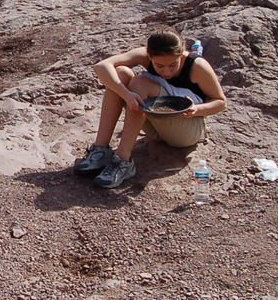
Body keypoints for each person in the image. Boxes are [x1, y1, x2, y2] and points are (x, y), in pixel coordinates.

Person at [73, 28, 227, 188]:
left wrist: (197, 109)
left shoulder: (197, 66)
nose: (166, 71)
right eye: (159, 65)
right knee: (120, 74)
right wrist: (126, 94)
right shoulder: (143, 55)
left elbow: (220, 101)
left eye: (173, 64)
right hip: (156, 125)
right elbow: (101, 66)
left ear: (182, 53)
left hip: (186, 128)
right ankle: (100, 149)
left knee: (139, 83)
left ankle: (123, 160)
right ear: (149, 56)